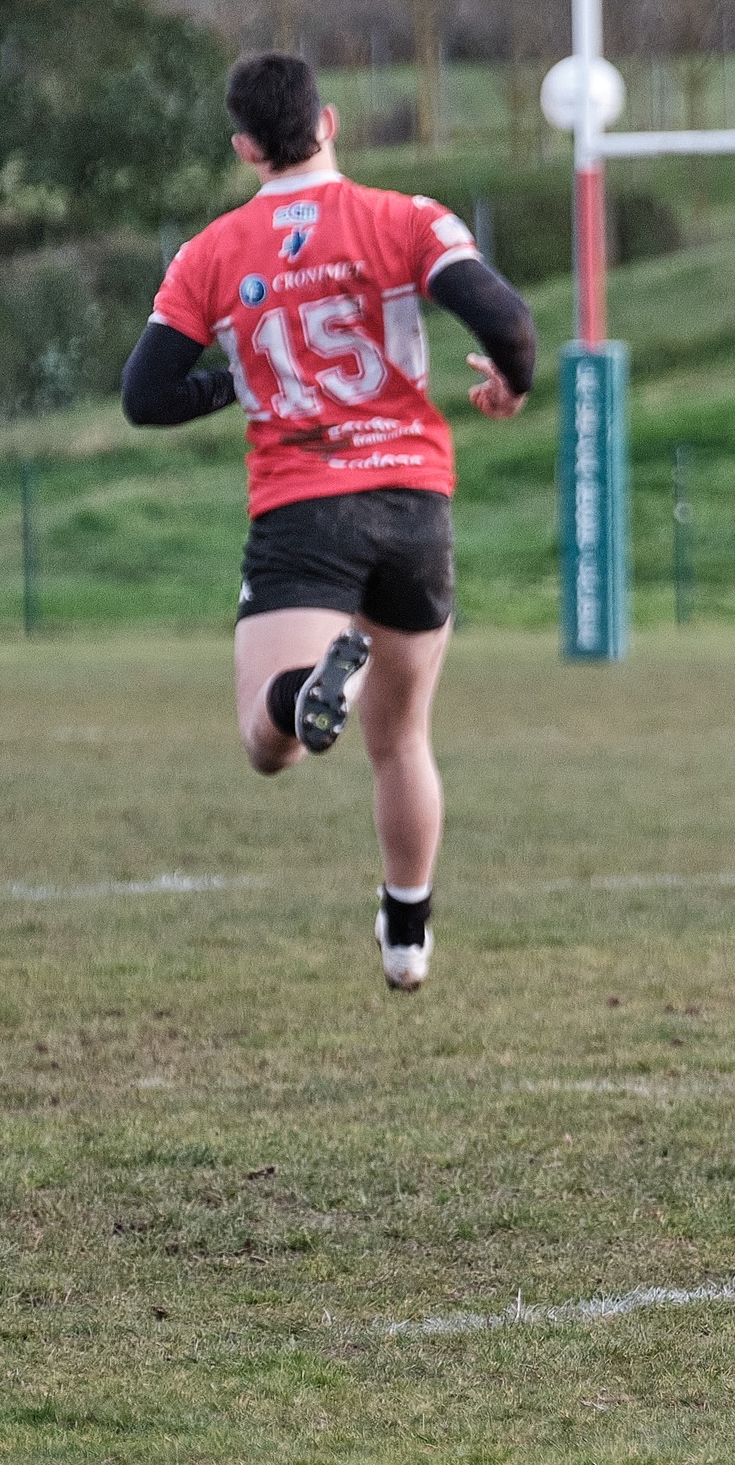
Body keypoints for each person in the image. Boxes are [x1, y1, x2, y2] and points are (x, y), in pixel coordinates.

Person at [119, 52, 536, 994]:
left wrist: (238, 380)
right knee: (403, 739)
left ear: (245, 148)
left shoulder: (213, 252)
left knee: (266, 744)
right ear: (329, 122)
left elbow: (145, 396)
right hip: (414, 503)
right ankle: (407, 931)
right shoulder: (406, 219)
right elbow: (508, 321)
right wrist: (512, 382)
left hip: (303, 505)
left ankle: (305, 689)